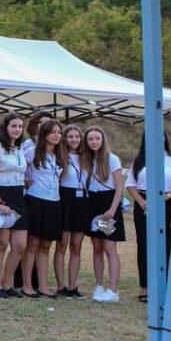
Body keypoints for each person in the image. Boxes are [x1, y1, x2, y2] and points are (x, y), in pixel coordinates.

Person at [126, 131, 171, 303]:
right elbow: (131, 185)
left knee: (166, 244)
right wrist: (141, 202)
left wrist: (167, 197)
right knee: (144, 244)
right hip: (144, 204)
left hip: (167, 203)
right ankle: (145, 286)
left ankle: (165, 286)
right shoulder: (139, 161)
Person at [0, 114, 28, 299]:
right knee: (1, 243)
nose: (17, 129)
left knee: (20, 245)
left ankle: (7, 284)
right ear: (6, 127)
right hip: (1, 196)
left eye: (20, 126)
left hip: (19, 197)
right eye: (13, 126)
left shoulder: (20, 148)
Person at [82, 126, 126, 303]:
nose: (94, 142)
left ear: (102, 140)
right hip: (92, 202)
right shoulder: (86, 160)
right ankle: (99, 285)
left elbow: (119, 187)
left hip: (108, 204)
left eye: (97, 138)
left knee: (109, 248)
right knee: (97, 247)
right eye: (90, 139)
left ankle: (113, 290)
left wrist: (112, 210)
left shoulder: (112, 159)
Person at [22, 119, 64, 299]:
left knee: (46, 245)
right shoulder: (31, 152)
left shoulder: (60, 154)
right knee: (32, 244)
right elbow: (18, 170)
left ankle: (43, 286)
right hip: (35, 200)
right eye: (53, 132)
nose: (57, 135)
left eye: (59, 132)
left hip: (54, 202)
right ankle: (27, 285)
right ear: (44, 134)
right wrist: (25, 181)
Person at [56, 124, 88, 297]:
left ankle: (72, 286)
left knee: (76, 246)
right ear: (65, 139)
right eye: (70, 136)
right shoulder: (59, 156)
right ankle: (61, 286)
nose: (74, 140)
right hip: (64, 200)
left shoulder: (87, 157)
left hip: (81, 201)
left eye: (77, 136)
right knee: (62, 245)